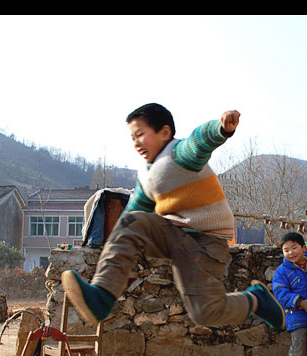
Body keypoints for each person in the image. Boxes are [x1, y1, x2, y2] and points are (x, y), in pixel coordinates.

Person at [61, 103, 285, 331]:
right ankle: (102, 296)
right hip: (176, 237)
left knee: (205, 312)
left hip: (208, 242)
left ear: (165, 133)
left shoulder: (178, 154)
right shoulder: (146, 176)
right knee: (132, 222)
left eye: (141, 135)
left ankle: (256, 299)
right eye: (132, 138)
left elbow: (198, 142)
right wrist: (113, 251)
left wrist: (220, 129)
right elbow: (131, 217)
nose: (136, 143)